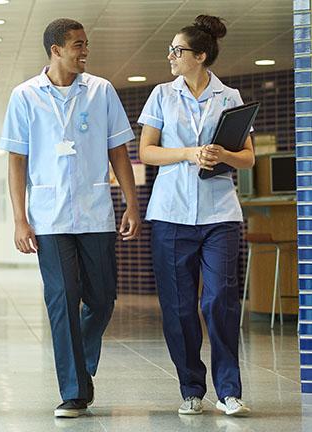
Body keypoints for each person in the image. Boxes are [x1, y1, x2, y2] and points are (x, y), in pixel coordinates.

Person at [0, 18, 140, 418]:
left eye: (85, 44)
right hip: (48, 216)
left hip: (96, 213)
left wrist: (131, 203)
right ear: (55, 50)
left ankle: (77, 361)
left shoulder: (101, 91)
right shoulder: (25, 95)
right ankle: (74, 389)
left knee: (102, 299)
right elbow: (16, 160)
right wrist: (19, 219)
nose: (84, 51)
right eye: (77, 45)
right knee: (61, 299)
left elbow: (118, 150)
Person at [137, 15, 254, 417]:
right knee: (180, 306)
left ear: (200, 56)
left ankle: (228, 390)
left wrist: (222, 154)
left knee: (220, 299)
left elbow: (249, 157)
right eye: (171, 50)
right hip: (171, 214)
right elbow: (147, 152)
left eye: (178, 50)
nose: (170, 56)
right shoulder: (161, 95)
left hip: (220, 213)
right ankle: (191, 387)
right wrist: (189, 153)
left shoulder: (230, 96)